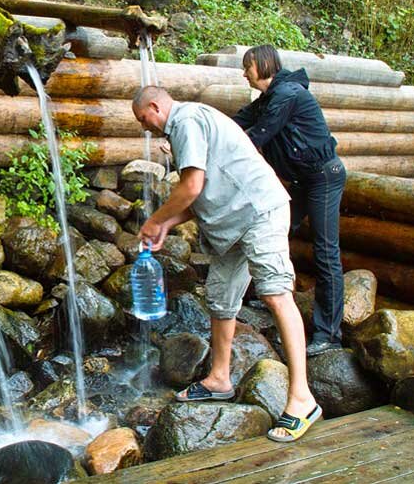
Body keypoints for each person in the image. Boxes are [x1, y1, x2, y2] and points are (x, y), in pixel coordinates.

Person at [132, 86, 320, 443]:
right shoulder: (188, 123)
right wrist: (168, 224)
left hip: (258, 212)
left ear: (155, 106)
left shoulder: (186, 120)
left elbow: (191, 186)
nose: (146, 128)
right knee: (220, 300)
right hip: (230, 224)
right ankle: (220, 377)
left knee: (276, 294)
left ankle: (302, 399)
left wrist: (154, 220)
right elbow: (199, 194)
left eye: (145, 119)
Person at [233, 45, 346, 357]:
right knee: (274, 232)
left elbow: (256, 137)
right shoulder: (267, 100)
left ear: (263, 64)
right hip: (301, 180)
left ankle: (329, 335)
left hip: (323, 176)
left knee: (325, 252)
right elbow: (235, 124)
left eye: (247, 67)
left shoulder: (287, 95)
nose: (244, 74)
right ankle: (271, 293)